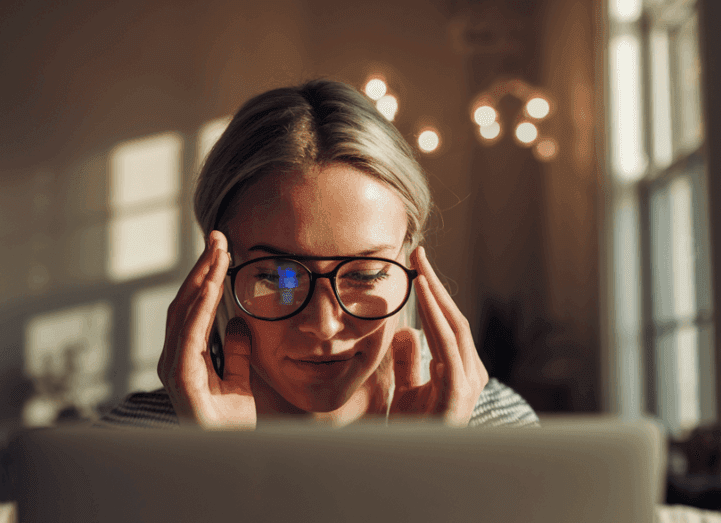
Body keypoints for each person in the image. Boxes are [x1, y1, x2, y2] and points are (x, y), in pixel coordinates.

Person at [98, 79, 537, 430]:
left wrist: (424, 467)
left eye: (365, 275)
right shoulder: (128, 444)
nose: (324, 325)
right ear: (215, 271)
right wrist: (220, 466)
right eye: (278, 276)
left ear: (411, 263)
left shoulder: (494, 426)